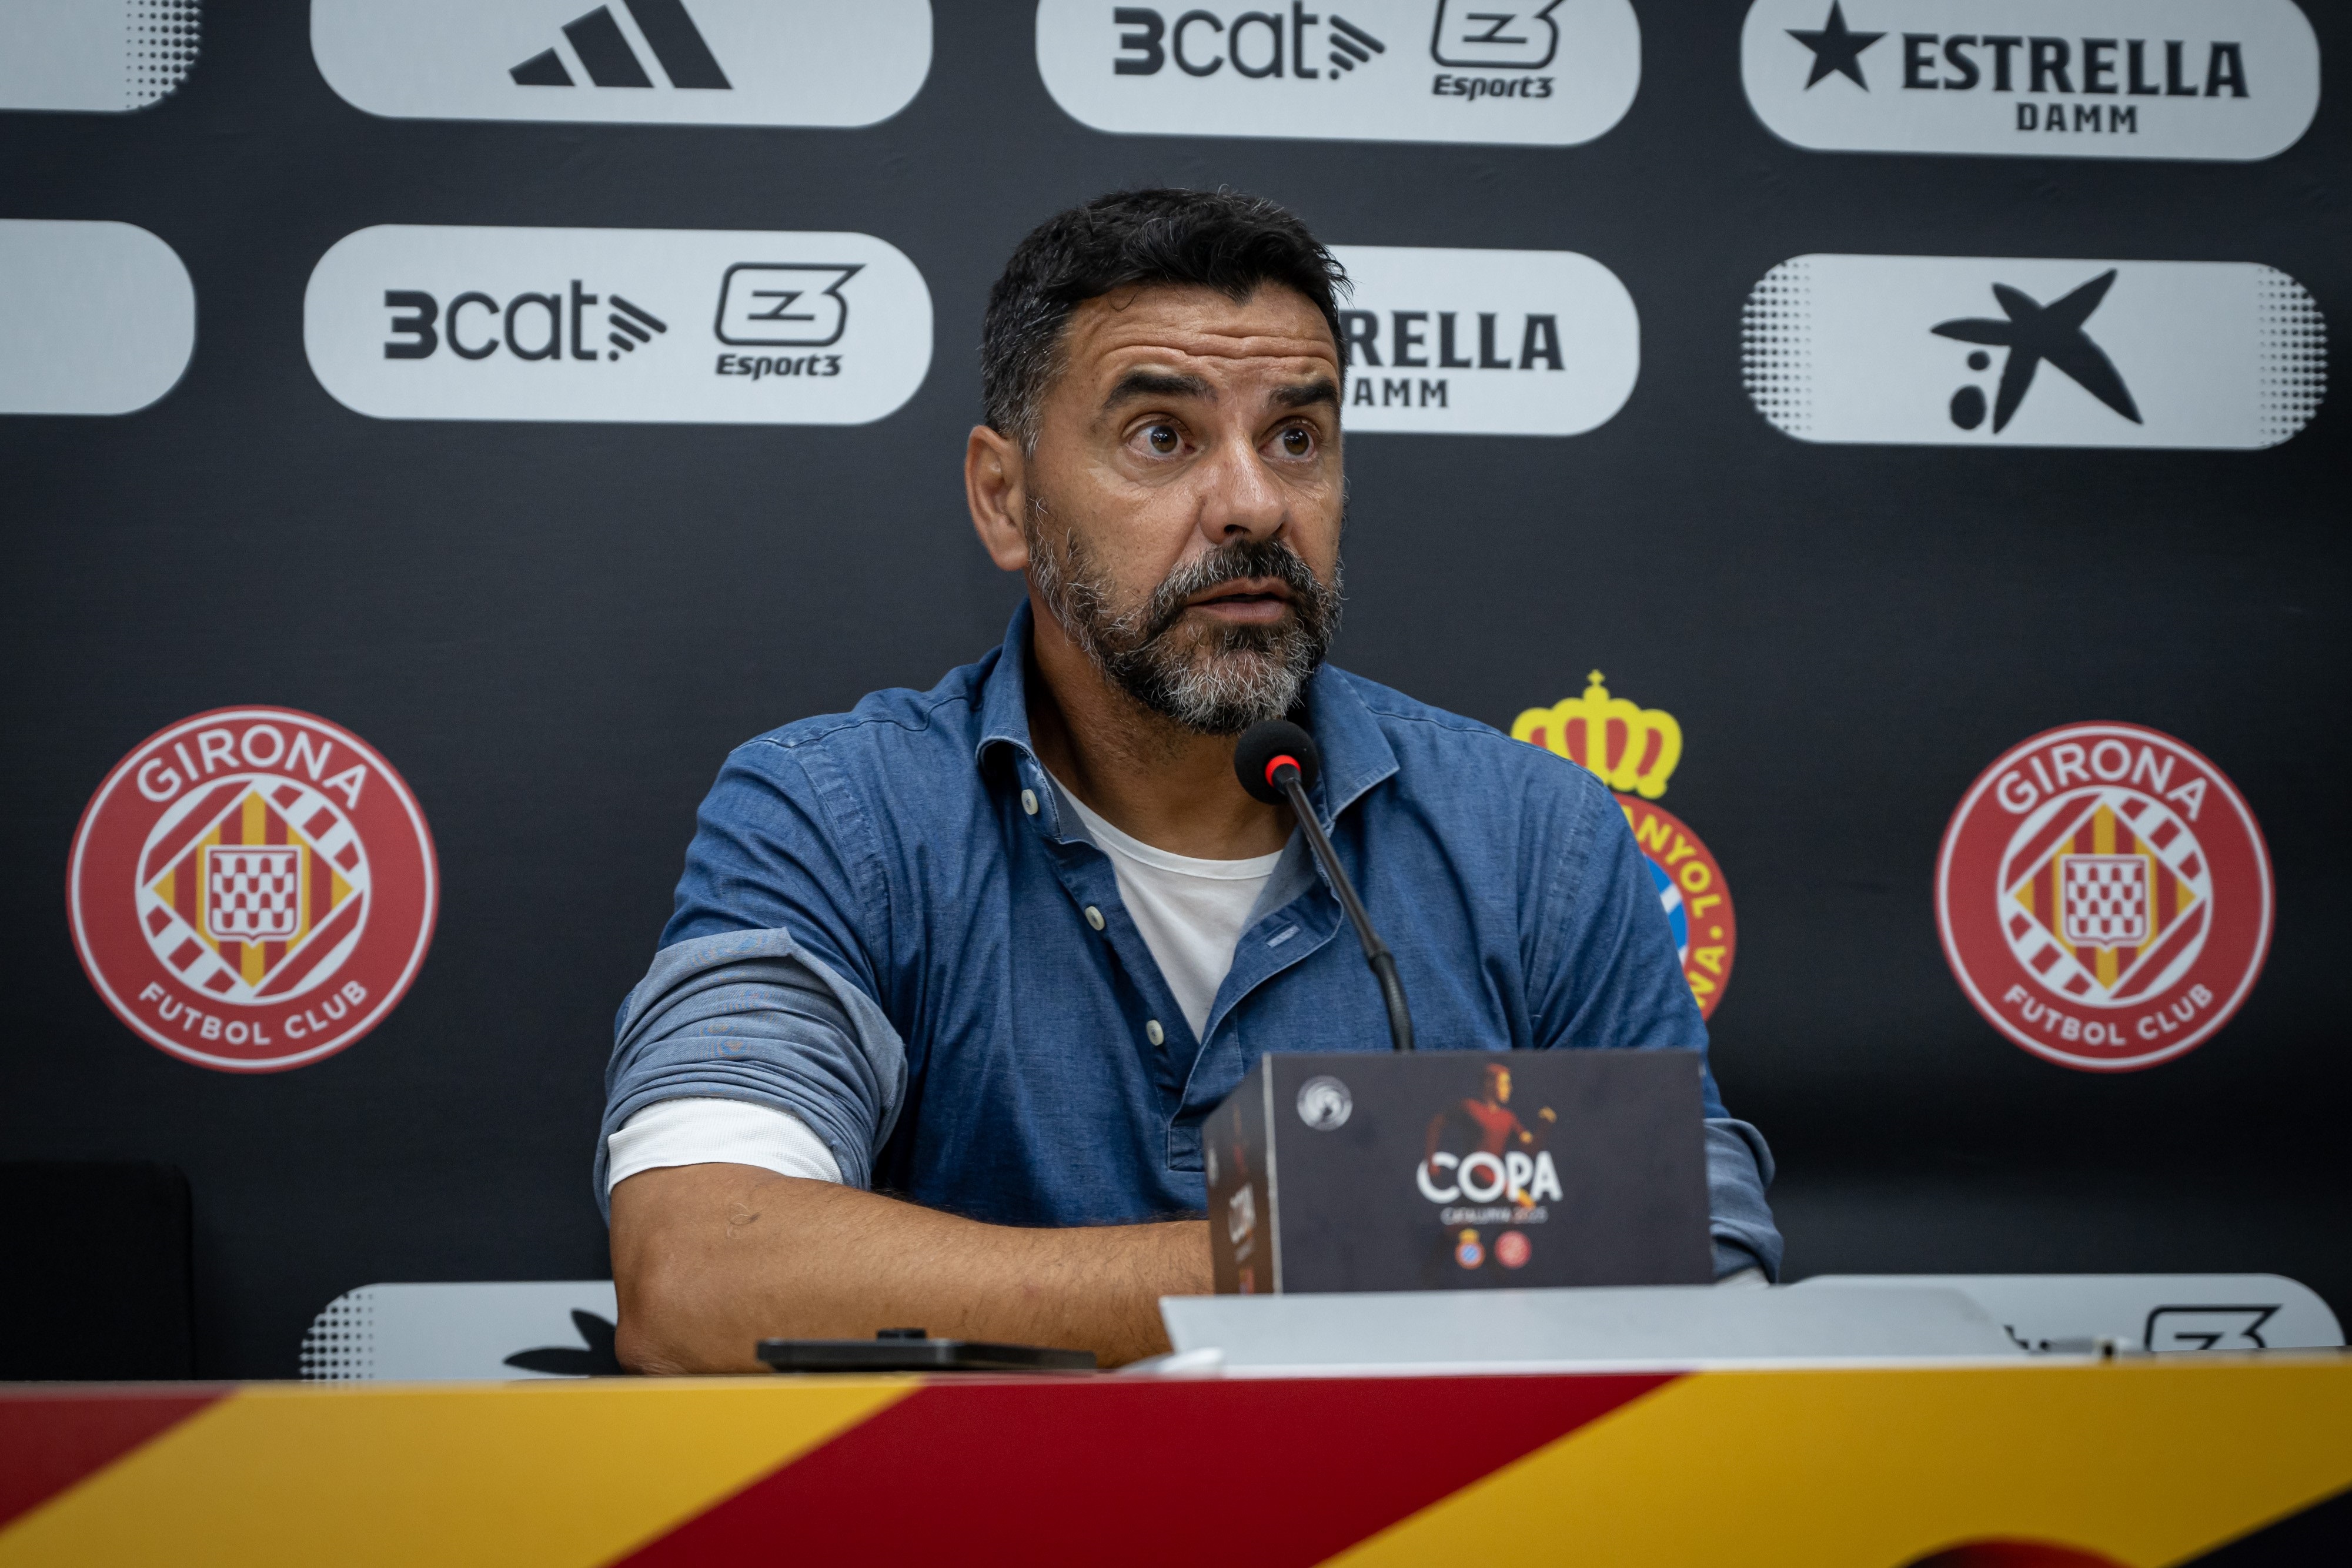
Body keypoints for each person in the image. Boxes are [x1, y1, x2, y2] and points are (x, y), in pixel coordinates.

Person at [600, 189, 1780, 1372]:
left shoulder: (1536, 840)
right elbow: (700, 1274)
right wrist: (1338, 1257)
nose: (1254, 505)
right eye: (1162, 436)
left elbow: (1702, 1274)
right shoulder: (835, 816)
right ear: (1006, 499)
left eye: (1296, 438)